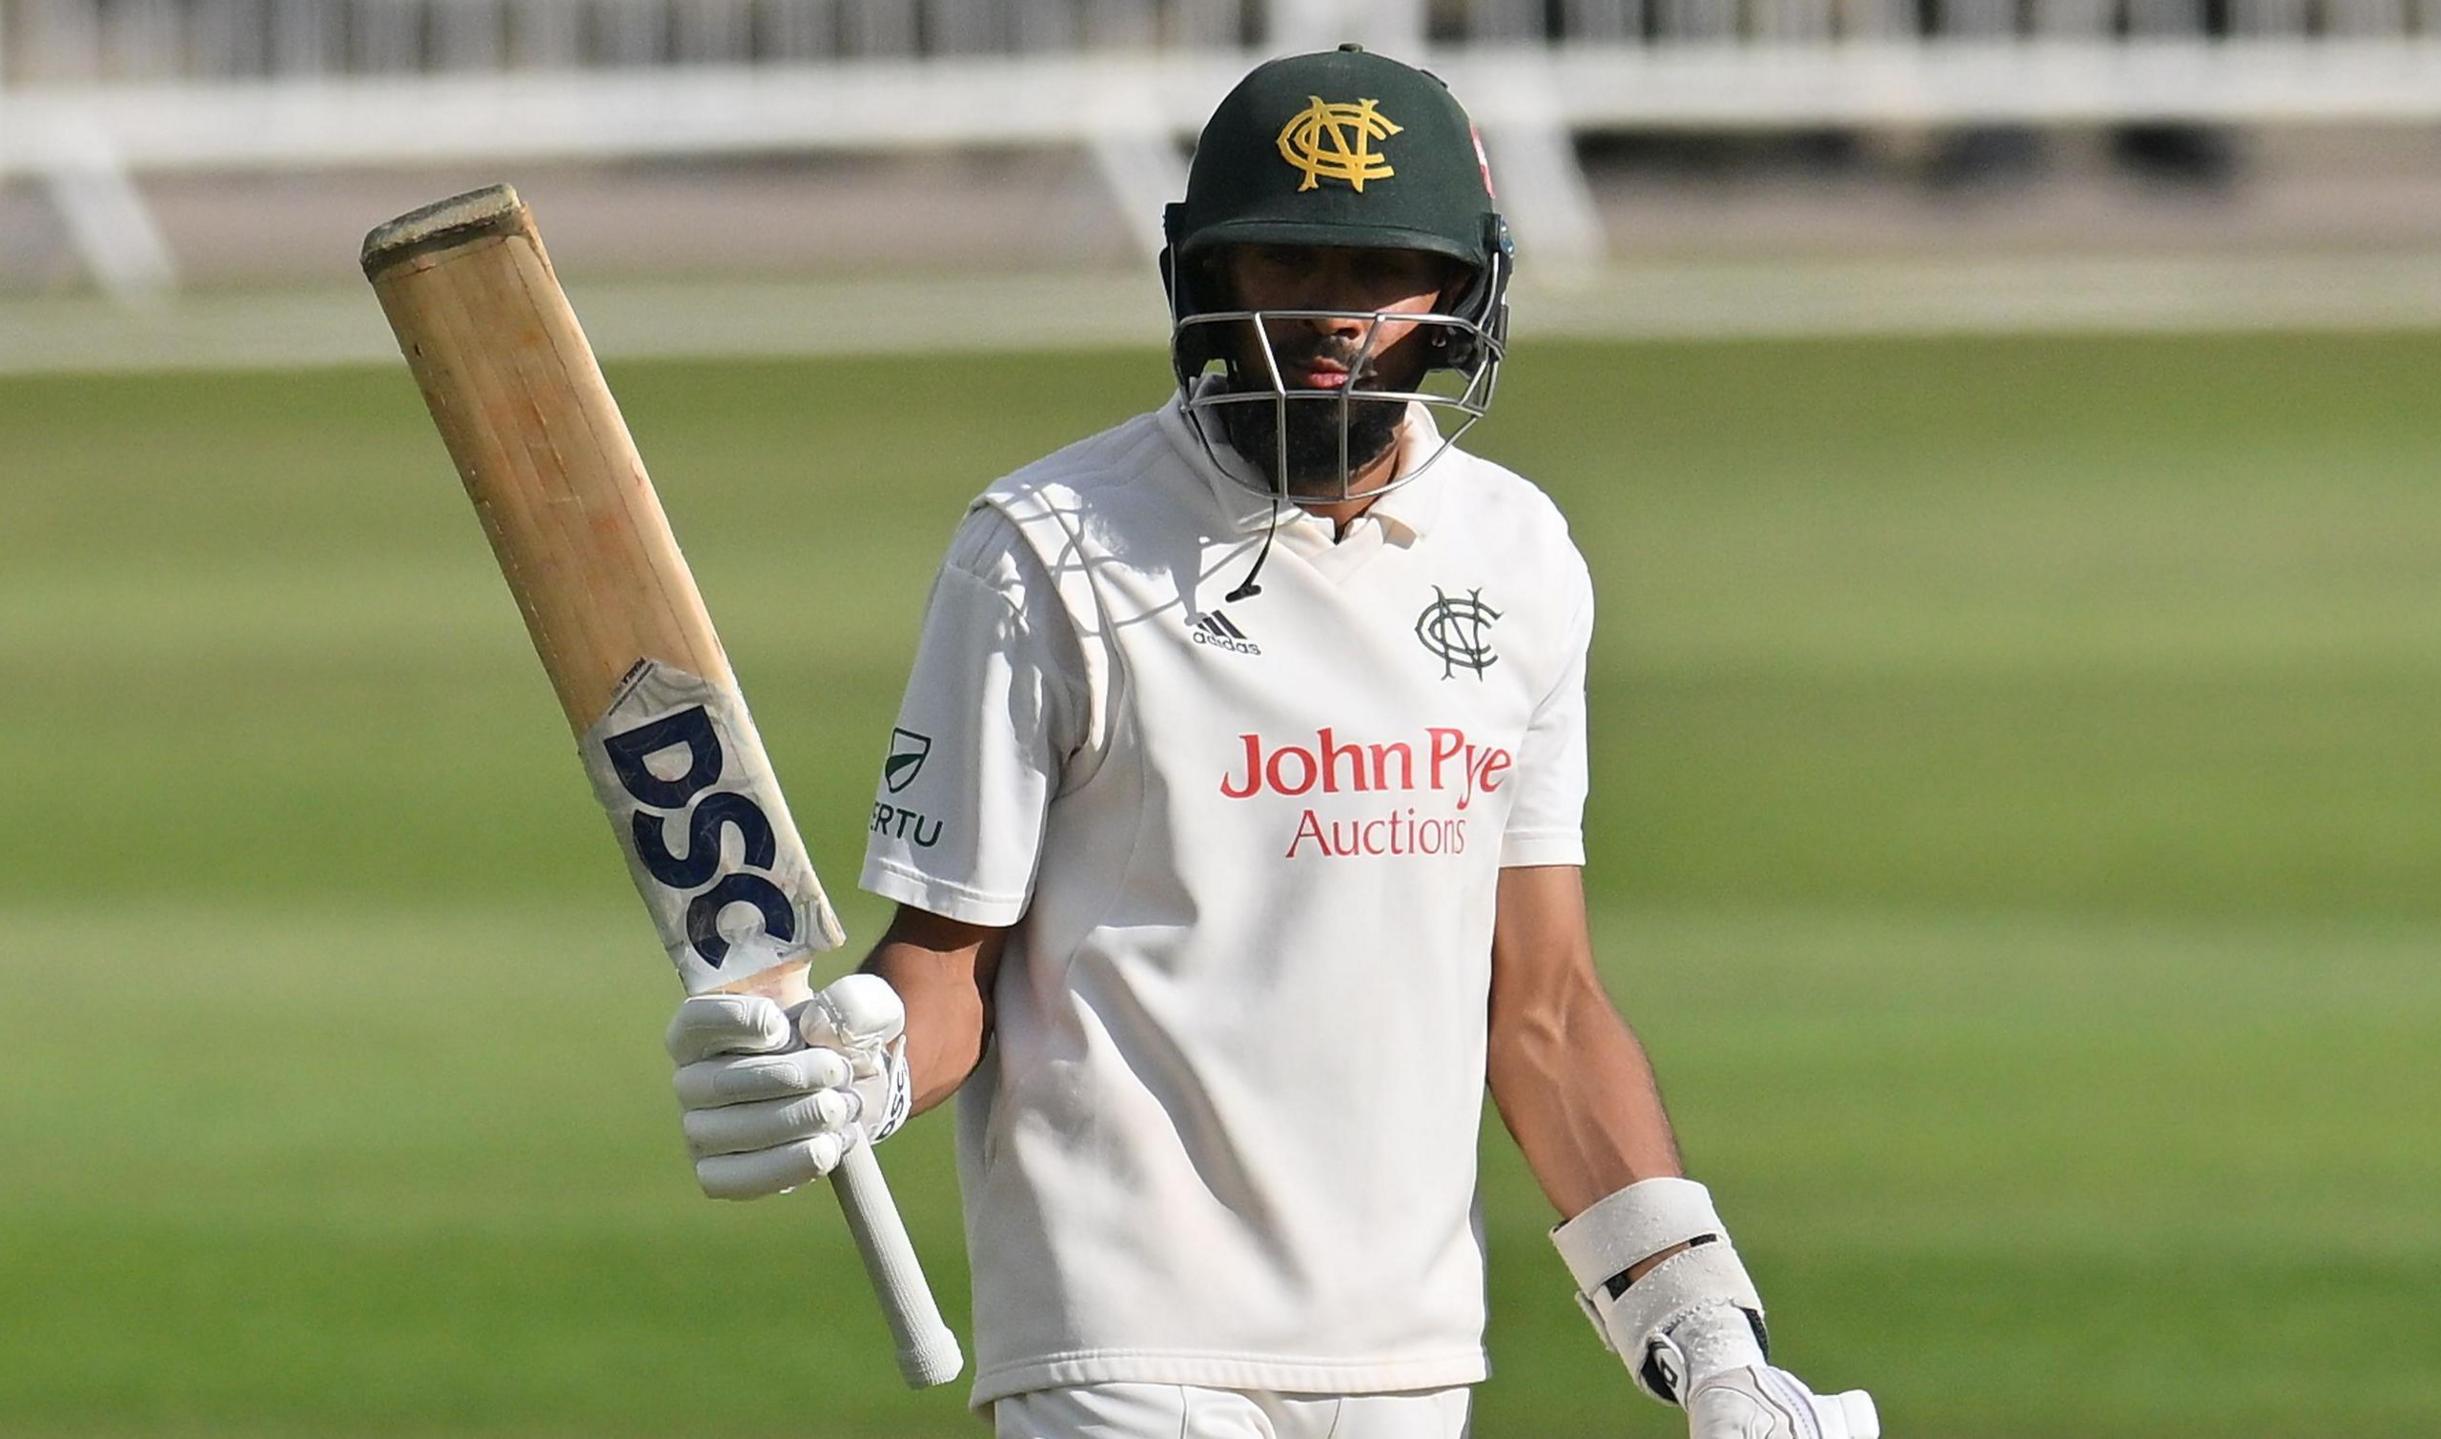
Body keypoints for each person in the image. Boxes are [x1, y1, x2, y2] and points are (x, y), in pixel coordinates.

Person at [663, 45, 1880, 1439]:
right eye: (1287, 263)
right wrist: (853, 1071)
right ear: (1210, 276)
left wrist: (1705, 1337)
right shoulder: (1044, 553)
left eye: (1379, 273)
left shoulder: (1521, 554)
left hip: (1408, 1354)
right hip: (1119, 1346)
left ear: (1458, 293)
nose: (1331, 317)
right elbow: (944, 973)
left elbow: (1541, 1009)